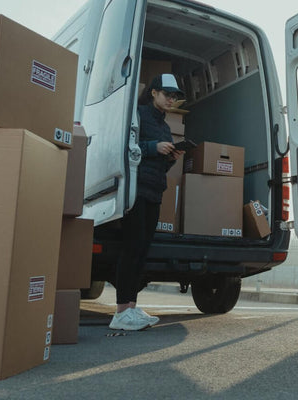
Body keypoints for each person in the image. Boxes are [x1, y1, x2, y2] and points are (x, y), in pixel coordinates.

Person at [109, 73, 186, 331]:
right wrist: (154, 147)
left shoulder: (165, 127)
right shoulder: (138, 114)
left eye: (174, 97)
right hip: (136, 190)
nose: (170, 100)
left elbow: (160, 166)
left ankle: (131, 307)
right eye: (167, 94)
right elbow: (124, 146)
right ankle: (120, 312)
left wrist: (172, 156)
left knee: (142, 250)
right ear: (153, 92)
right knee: (131, 249)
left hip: (154, 191)